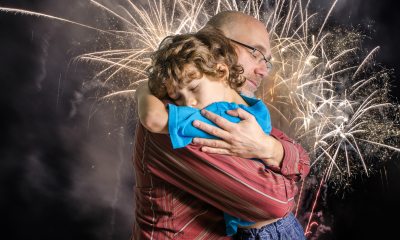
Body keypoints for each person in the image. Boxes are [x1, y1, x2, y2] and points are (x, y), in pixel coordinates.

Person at [132, 11, 310, 239]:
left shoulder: (243, 108)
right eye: (256, 53)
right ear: (218, 45)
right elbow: (275, 203)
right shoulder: (185, 116)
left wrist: (269, 148)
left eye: (267, 61)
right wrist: (142, 90)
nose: (264, 70)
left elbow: (301, 158)